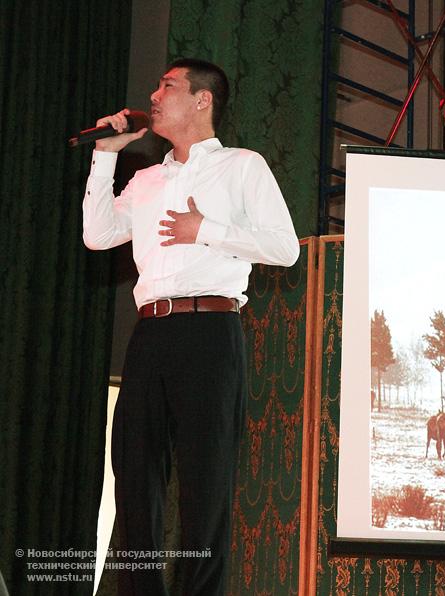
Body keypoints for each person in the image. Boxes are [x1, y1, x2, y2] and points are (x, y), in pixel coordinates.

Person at [83, 58, 299, 596]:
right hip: (150, 334)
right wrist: (104, 158)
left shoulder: (242, 166)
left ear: (202, 101)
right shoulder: (148, 177)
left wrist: (207, 228)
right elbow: (98, 234)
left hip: (210, 331)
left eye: (168, 86)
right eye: (157, 85)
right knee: (135, 478)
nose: (154, 94)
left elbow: (285, 248)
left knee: (205, 486)